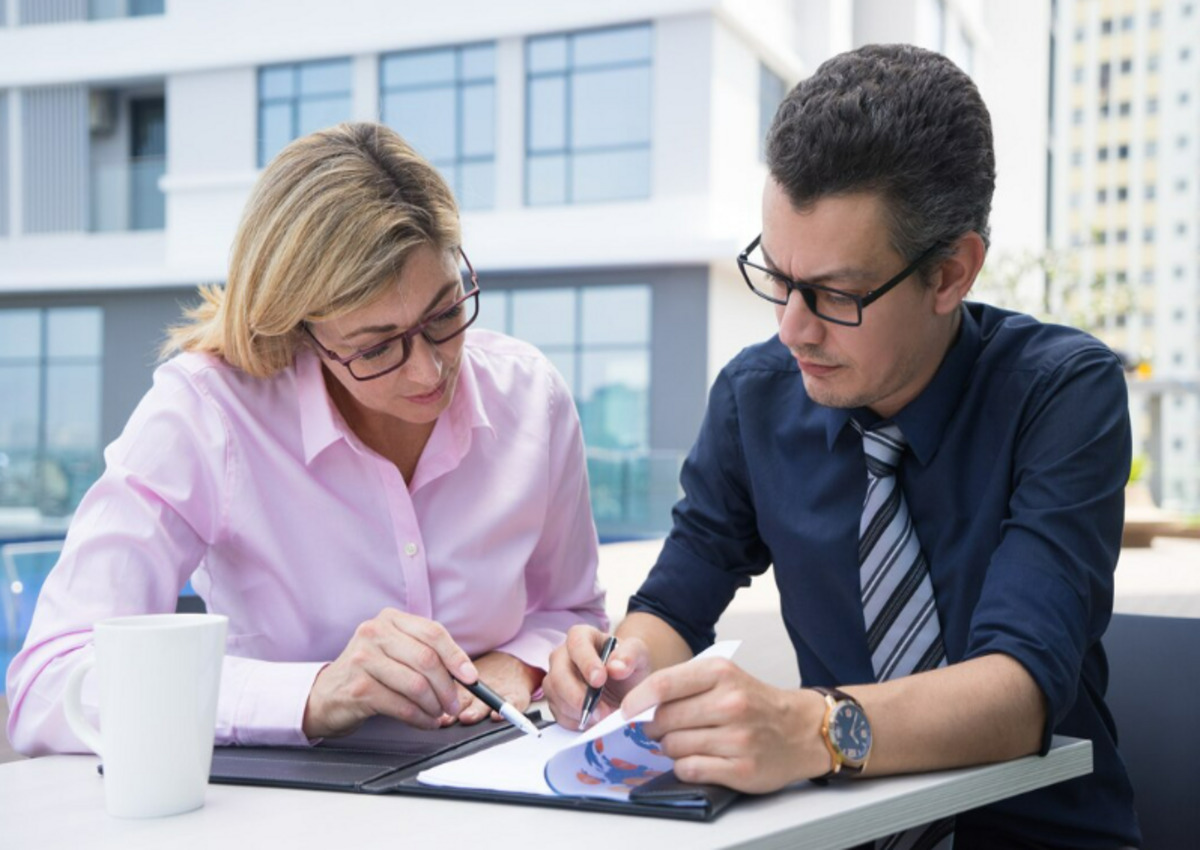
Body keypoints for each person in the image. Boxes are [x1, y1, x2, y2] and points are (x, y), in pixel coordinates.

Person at [546, 44, 1139, 849]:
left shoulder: (1064, 394)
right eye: (779, 277)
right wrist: (620, 670)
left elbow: (1018, 692)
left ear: (951, 274)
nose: (792, 327)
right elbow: (676, 602)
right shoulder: (755, 398)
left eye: (834, 293)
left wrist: (812, 728)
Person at [7, 122, 606, 755]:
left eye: (446, 313)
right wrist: (316, 695)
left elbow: (572, 612)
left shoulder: (531, 399)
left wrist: (524, 665)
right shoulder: (205, 415)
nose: (430, 371)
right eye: (375, 347)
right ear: (299, 331)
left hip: (492, 784)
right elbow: (48, 684)